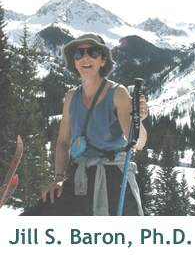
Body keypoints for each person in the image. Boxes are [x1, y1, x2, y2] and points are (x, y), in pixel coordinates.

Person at [20, 33, 148, 216]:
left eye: (93, 52)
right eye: (79, 53)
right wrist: (58, 178)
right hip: (79, 176)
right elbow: (63, 141)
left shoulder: (117, 93)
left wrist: (138, 120)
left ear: (103, 61)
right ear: (74, 61)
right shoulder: (71, 96)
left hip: (113, 178)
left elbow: (139, 143)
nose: (85, 57)